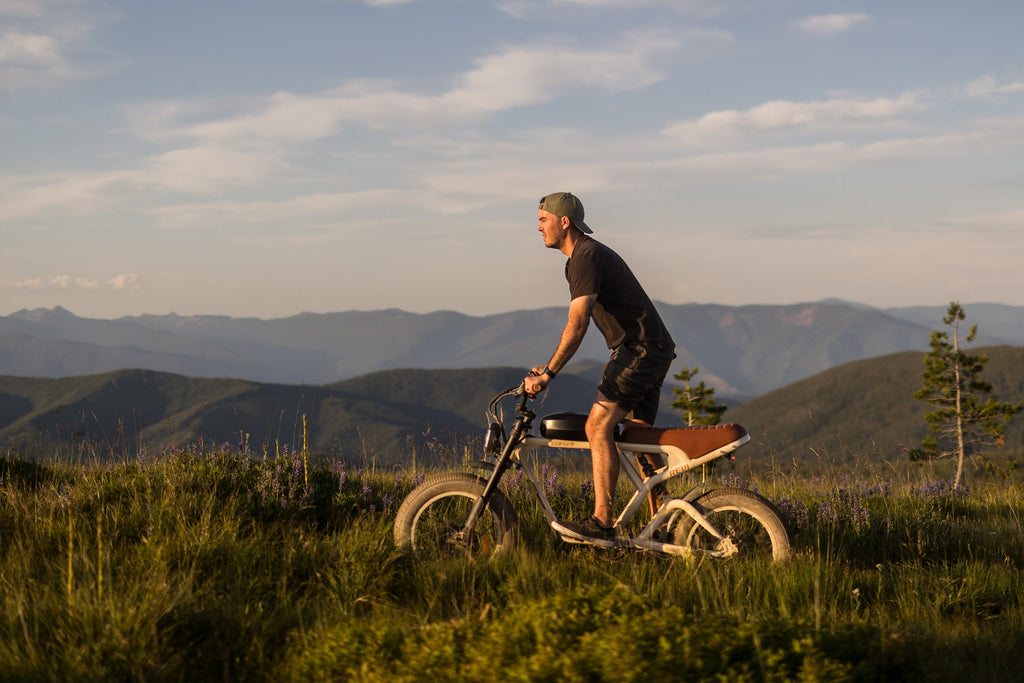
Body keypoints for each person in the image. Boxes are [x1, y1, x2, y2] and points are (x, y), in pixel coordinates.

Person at [524, 192, 676, 545]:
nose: (538, 227)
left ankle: (602, 522)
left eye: (543, 220)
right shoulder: (583, 257)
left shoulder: (586, 257)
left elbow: (577, 323)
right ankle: (665, 528)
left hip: (639, 348)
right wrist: (549, 365)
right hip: (651, 347)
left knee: (597, 425)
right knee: (639, 440)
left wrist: (548, 373)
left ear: (564, 222)